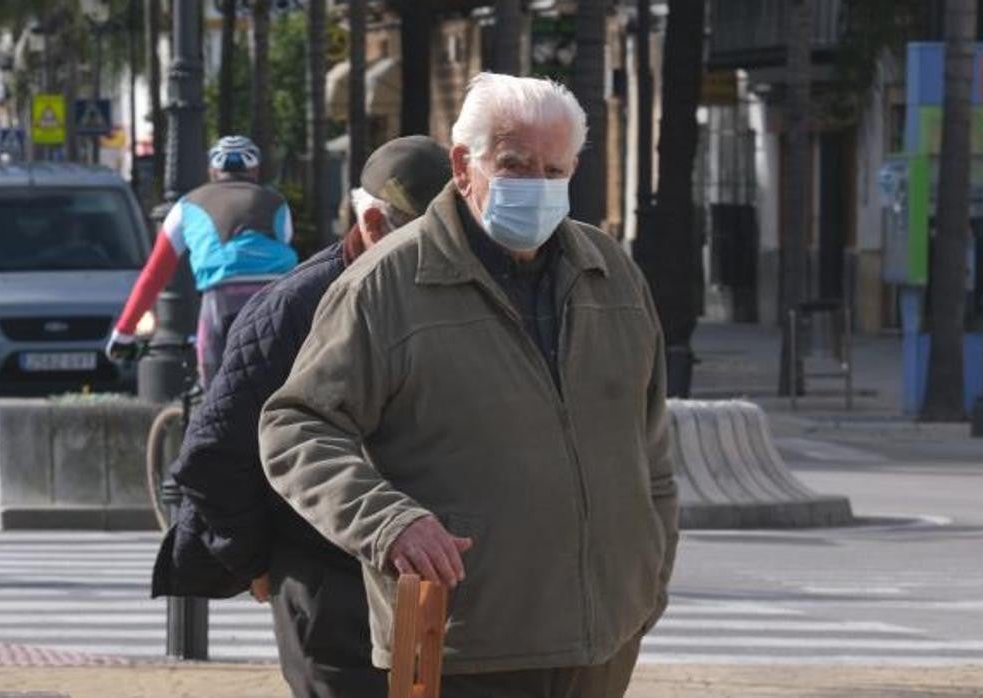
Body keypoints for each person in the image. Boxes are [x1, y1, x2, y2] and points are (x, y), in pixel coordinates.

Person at [259, 73, 678, 696]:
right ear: (464, 164)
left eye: (553, 169)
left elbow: (651, 448)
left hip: (605, 638)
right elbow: (295, 427)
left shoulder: (610, 272)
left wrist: (650, 573)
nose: (535, 185)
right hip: (464, 642)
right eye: (515, 164)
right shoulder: (387, 285)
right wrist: (388, 522)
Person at [151, 136, 453, 698]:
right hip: (323, 578)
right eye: (419, 237)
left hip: (428, 577)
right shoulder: (293, 308)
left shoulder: (446, 295)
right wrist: (255, 564)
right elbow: (215, 454)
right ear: (371, 224)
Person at [106, 135, 298, 376]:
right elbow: (289, 251)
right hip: (275, 295)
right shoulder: (278, 202)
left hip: (221, 296)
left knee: (215, 385)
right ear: (255, 171)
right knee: (280, 380)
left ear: (212, 171)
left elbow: (154, 274)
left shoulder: (185, 206)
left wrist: (124, 332)